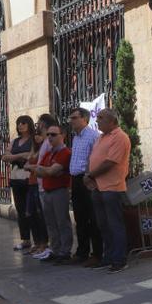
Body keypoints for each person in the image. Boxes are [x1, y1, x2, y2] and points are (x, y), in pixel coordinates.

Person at [85, 108, 131, 274]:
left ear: (112, 121)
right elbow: (94, 159)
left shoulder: (120, 137)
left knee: (115, 225)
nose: (97, 120)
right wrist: (90, 177)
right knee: (103, 225)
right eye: (97, 118)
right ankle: (109, 257)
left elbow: (110, 162)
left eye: (101, 118)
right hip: (98, 187)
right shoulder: (101, 137)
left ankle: (119, 260)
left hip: (112, 187)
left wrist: (90, 175)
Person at [28, 123, 73, 264]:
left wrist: (39, 169)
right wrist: (42, 170)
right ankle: (55, 249)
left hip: (59, 191)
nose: (49, 137)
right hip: (46, 191)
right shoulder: (48, 153)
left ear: (62, 136)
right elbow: (40, 170)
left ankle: (65, 252)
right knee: (51, 223)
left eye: (53, 134)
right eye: (48, 134)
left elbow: (50, 171)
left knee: (61, 222)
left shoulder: (65, 152)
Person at [67, 107, 103, 266]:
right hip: (75, 180)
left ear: (85, 119)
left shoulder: (93, 136)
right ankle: (82, 251)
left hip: (88, 179)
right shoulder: (75, 138)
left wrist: (90, 177)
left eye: (74, 118)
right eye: (71, 118)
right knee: (80, 218)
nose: (71, 121)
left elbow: (96, 160)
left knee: (93, 218)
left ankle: (97, 254)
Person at [2, 115, 35, 252]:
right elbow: (5, 157)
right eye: (18, 123)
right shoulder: (15, 141)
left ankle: (39, 240)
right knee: (21, 210)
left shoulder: (34, 140)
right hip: (16, 178)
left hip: (29, 178)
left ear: (29, 124)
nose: (20, 125)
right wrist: (20, 156)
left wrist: (14, 157)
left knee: (32, 210)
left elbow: (31, 155)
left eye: (23, 123)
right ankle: (25, 239)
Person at [23, 122, 50, 259]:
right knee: (31, 213)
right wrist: (31, 165)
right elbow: (27, 164)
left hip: (38, 184)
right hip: (31, 183)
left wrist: (31, 166)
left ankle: (44, 243)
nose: (37, 138)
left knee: (40, 215)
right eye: (36, 135)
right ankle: (37, 242)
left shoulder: (44, 149)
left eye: (39, 135)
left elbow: (32, 165)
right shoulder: (35, 150)